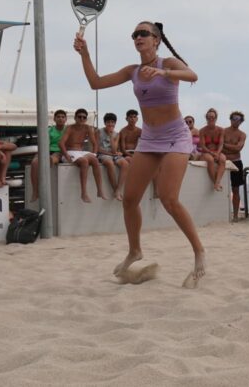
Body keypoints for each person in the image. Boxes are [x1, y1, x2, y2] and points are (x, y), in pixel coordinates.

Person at [74, 20, 206, 287]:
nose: (137, 37)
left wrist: (163, 73)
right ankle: (135, 251)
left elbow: (193, 75)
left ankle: (199, 251)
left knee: (169, 198)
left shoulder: (167, 63)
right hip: (150, 138)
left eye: (143, 33)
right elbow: (95, 82)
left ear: (156, 39)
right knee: (130, 199)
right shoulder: (132, 71)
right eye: (134, 34)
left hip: (175, 136)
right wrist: (84, 54)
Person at [58, 109, 101, 202]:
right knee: (84, 162)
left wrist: (94, 154)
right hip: (70, 151)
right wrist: (66, 155)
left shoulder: (87, 128)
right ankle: (84, 193)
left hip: (80, 152)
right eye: (79, 117)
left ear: (86, 119)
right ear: (75, 118)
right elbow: (61, 143)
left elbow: (95, 143)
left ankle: (99, 190)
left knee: (95, 160)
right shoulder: (70, 128)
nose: (82, 119)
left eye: (84, 117)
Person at [30, 109, 67, 200]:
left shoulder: (68, 130)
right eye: (58, 117)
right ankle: (35, 192)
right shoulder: (49, 130)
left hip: (61, 152)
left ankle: (45, 190)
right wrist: (40, 155)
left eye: (63, 117)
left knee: (52, 158)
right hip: (48, 151)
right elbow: (45, 144)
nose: (60, 119)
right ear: (54, 119)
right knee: (34, 162)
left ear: (66, 119)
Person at [98, 112, 128, 200]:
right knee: (109, 163)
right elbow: (97, 149)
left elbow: (114, 150)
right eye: (108, 122)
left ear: (115, 123)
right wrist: (110, 154)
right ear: (105, 123)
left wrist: (111, 135)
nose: (110, 124)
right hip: (103, 154)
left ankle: (118, 190)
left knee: (125, 164)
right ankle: (115, 189)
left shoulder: (117, 134)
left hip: (113, 154)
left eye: (112, 122)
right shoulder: (99, 132)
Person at [222, 111, 247, 220]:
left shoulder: (242, 134)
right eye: (234, 118)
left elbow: (238, 148)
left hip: (236, 162)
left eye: (238, 119)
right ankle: (223, 215)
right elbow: (220, 146)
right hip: (224, 162)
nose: (236, 121)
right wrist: (232, 147)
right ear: (230, 119)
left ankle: (235, 215)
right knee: (222, 188)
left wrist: (225, 145)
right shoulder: (223, 131)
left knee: (235, 189)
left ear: (241, 121)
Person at [198, 108, 226, 192]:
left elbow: (221, 144)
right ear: (206, 118)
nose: (211, 119)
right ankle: (215, 183)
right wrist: (211, 153)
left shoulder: (221, 130)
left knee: (223, 159)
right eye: (209, 117)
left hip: (217, 151)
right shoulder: (202, 130)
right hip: (206, 152)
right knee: (210, 160)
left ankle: (217, 182)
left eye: (213, 117)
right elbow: (203, 146)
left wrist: (217, 153)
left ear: (216, 118)